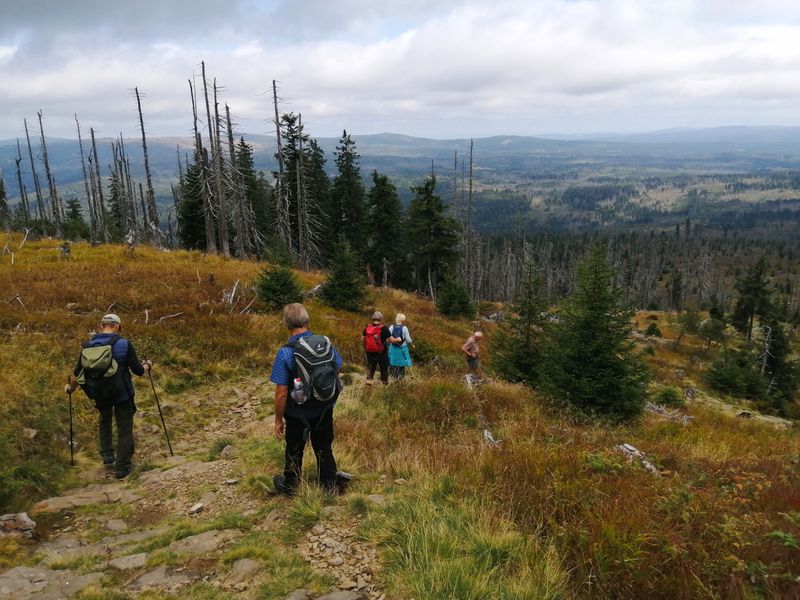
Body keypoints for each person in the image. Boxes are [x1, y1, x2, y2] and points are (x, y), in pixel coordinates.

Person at [270, 303, 344, 495]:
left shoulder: (286, 352)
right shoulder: (324, 343)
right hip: (324, 406)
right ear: (307, 321)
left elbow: (282, 392)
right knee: (324, 445)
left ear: (287, 325)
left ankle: (292, 484)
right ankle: (329, 484)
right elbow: (337, 367)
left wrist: (278, 419)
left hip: (297, 411)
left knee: (294, 447)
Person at [66, 313, 151, 479]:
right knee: (124, 427)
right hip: (122, 394)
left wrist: (71, 388)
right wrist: (147, 366)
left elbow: (78, 372)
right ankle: (123, 467)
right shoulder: (124, 344)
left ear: (101, 325)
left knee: (105, 420)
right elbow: (138, 371)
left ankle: (107, 456)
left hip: (99, 394)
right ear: (118, 326)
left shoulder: (87, 346)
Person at [362, 311, 391, 385]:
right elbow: (392, 340)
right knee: (384, 369)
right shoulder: (384, 328)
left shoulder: (368, 327)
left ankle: (368, 384)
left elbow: (362, 339)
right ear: (381, 319)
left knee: (370, 368)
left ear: (373, 318)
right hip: (381, 353)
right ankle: (384, 385)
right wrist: (398, 340)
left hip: (369, 352)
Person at [388, 313, 413, 380]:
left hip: (393, 348)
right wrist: (412, 342)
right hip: (402, 349)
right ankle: (401, 379)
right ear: (402, 320)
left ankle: (394, 378)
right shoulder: (404, 328)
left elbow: (388, 338)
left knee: (394, 363)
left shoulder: (391, 327)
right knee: (402, 364)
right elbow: (408, 340)